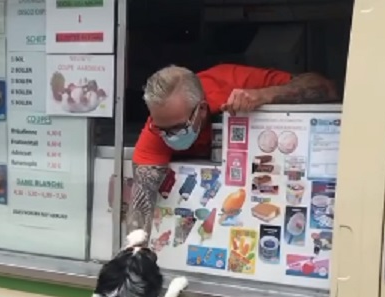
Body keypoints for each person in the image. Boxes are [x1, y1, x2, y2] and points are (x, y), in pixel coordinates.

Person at [125, 64, 339, 236]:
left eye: (178, 127)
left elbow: (325, 87)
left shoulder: (230, 82)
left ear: (200, 109)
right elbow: (142, 200)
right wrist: (134, 254)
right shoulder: (156, 127)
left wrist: (265, 96)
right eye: (163, 129)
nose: (169, 135)